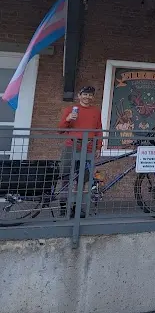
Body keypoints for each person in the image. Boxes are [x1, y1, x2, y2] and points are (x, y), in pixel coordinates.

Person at [57, 86, 104, 216]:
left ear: (93, 97)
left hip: (89, 147)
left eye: (90, 95)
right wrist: (68, 120)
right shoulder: (70, 109)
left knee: (82, 179)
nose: (87, 97)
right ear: (79, 95)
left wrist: (99, 147)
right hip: (71, 146)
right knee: (66, 176)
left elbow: (98, 130)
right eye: (85, 94)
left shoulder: (96, 111)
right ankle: (63, 206)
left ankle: (76, 207)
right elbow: (60, 130)